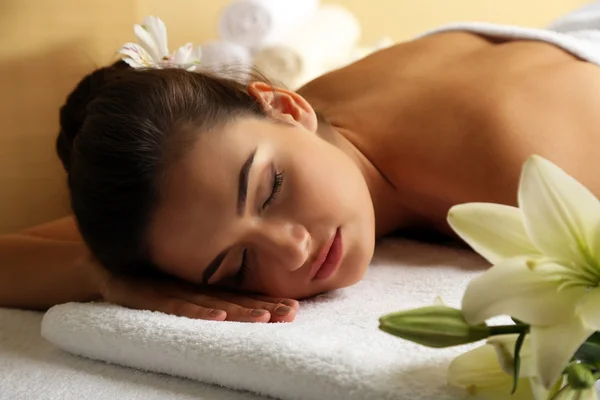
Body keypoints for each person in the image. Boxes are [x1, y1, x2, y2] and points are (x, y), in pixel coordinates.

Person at [2, 26, 600, 324]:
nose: (292, 249)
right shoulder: (211, 167)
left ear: (286, 106)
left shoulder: (529, 165)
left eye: (271, 191)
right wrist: (106, 279)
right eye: (233, 268)